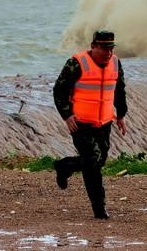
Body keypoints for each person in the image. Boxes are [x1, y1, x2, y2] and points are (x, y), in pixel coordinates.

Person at [52, 30, 128, 219]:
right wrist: (67, 115)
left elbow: (119, 89)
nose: (108, 52)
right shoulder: (76, 63)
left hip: (104, 122)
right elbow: (59, 90)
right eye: (104, 48)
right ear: (93, 46)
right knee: (93, 161)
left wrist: (121, 115)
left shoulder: (116, 63)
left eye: (111, 48)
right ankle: (99, 208)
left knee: (98, 161)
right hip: (80, 123)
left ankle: (65, 166)